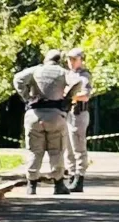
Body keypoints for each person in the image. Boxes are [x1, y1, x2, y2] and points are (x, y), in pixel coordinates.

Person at [13, 50, 79, 192]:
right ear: (59, 60)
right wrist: (67, 99)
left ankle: (31, 186)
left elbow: (17, 78)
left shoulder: (36, 70)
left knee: (34, 151)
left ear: (45, 59)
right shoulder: (63, 72)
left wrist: (26, 97)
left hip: (34, 115)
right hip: (55, 115)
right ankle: (58, 184)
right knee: (57, 151)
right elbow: (77, 82)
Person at [63, 48, 95, 193]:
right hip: (66, 113)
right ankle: (71, 175)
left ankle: (79, 177)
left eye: (74, 59)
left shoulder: (84, 76)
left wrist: (69, 96)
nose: (71, 62)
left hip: (78, 112)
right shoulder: (66, 74)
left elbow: (86, 95)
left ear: (81, 60)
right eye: (69, 59)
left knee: (78, 147)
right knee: (68, 147)